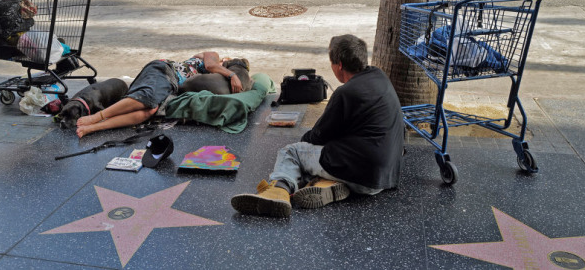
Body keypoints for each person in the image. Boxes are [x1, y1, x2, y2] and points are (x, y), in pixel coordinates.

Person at [231, 34, 405, 218]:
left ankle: (278, 192)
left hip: (362, 175)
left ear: (338, 65)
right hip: (386, 176)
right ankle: (327, 185)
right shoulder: (380, 77)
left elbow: (318, 136)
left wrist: (305, 143)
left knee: (292, 152)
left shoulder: (345, 93)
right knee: (320, 155)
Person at [76, 51, 243, 138]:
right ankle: (97, 116)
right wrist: (232, 75)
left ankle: (94, 127)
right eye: (225, 65)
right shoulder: (213, 57)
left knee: (150, 111)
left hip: (170, 86)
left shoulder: (212, 76)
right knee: (147, 97)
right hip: (164, 70)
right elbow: (211, 65)